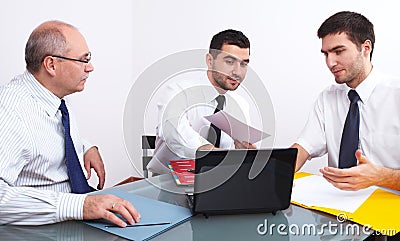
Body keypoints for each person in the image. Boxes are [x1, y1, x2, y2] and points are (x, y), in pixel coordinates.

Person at [0, 20, 140, 227]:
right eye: (84, 60)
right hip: (44, 227)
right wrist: (80, 206)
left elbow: (43, 132)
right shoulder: (11, 111)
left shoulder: (50, 96)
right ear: (52, 65)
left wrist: (84, 146)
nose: (90, 68)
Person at [293, 11, 400, 192]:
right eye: (325, 54)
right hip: (337, 206)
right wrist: (276, 174)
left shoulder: (396, 96)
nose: (330, 62)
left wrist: (381, 176)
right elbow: (303, 147)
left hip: (388, 207)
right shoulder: (328, 98)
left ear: (366, 48)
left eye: (338, 51)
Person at [147, 29, 256, 175]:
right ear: (210, 61)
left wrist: (243, 154)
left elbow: (237, 157)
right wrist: (212, 154)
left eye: (243, 64)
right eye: (229, 62)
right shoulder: (178, 92)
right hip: (170, 184)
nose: (237, 72)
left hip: (219, 182)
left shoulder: (241, 105)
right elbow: (173, 133)